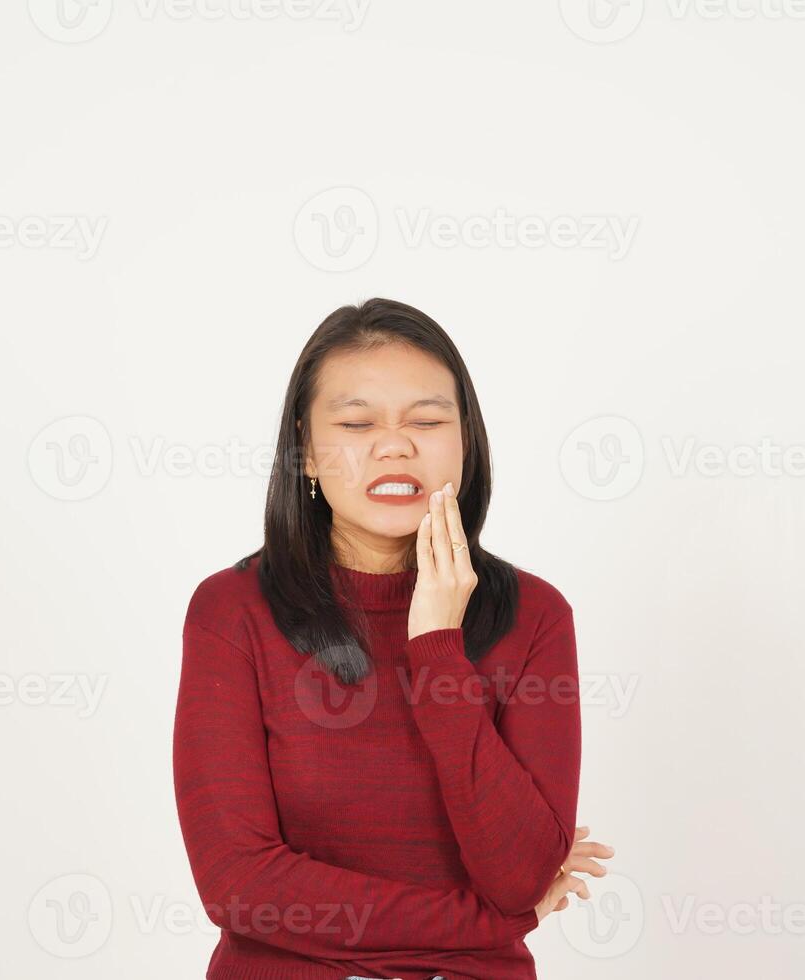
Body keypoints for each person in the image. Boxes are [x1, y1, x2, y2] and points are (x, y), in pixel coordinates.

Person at [173, 298, 614, 979]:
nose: (394, 445)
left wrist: (438, 646)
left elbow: (520, 872)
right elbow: (240, 885)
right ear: (307, 452)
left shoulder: (536, 617)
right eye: (356, 423)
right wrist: (495, 924)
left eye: (428, 420)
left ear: (466, 438)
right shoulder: (231, 613)